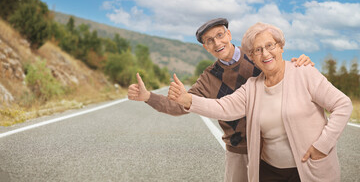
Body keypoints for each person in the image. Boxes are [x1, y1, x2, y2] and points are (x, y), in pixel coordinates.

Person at [128, 18, 313, 182]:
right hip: (239, 150)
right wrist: (147, 97)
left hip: (272, 145)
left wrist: (300, 63)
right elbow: (179, 105)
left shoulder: (257, 55)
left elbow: (282, 71)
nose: (217, 43)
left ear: (229, 34)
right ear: (205, 47)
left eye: (220, 35)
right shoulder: (209, 78)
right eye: (209, 40)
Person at [168, 22, 353, 182]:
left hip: (309, 169)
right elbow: (223, 107)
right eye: (257, 50)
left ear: (281, 47)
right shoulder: (252, 87)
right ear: (253, 58)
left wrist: (323, 145)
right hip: (269, 172)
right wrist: (188, 100)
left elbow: (343, 105)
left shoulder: (303, 73)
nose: (265, 54)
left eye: (270, 45)